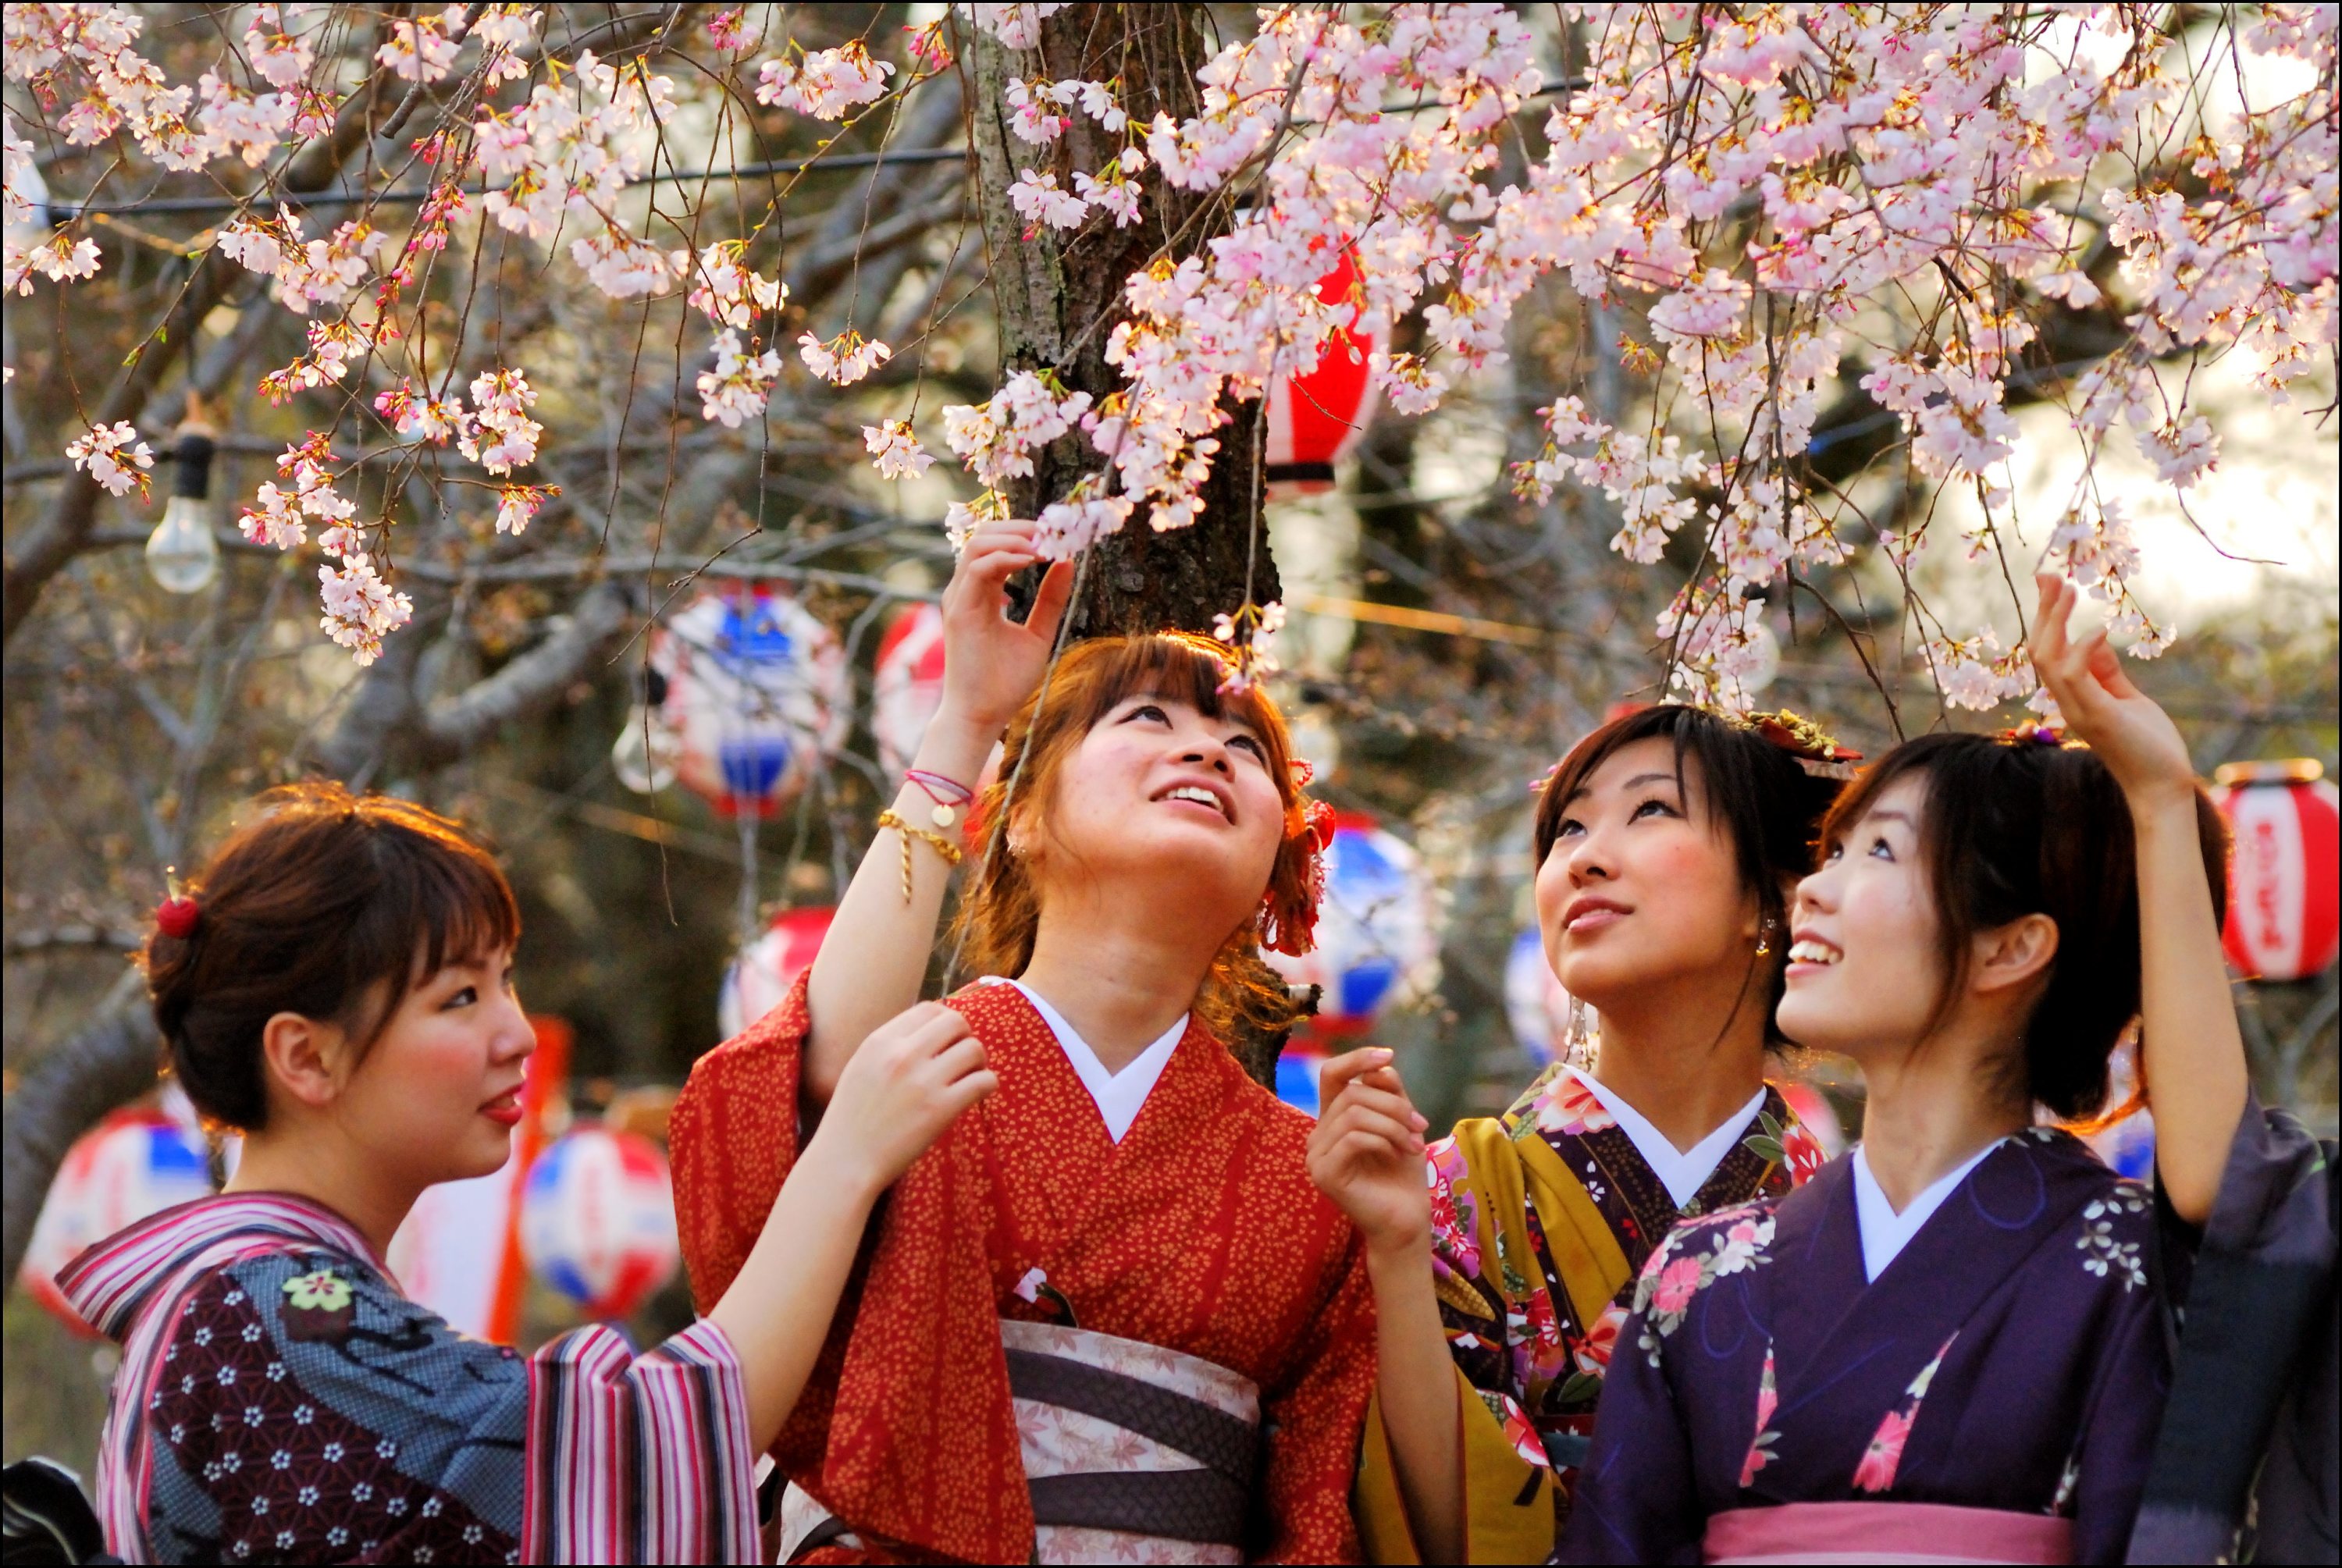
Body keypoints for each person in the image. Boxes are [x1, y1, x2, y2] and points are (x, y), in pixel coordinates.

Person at [667, 521, 1375, 1564]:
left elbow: (1320, 1500)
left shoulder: (1308, 1172)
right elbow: (814, 1071)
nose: (1205, 752)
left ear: (1277, 865)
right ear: (1025, 819)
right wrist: (965, 719)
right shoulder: (911, 1078)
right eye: (1146, 718)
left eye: (1244, 751)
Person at [60, 782, 993, 1565]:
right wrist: (843, 1160)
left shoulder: (237, 1296)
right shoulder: (281, 1311)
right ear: (306, 1058)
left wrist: (959, 733)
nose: (513, 1032)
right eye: (459, 996)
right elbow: (635, 1450)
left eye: (505, 979)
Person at [1562, 574, 2234, 1566]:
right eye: (1829, 853)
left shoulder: (2130, 1265)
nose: (1818, 890)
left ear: (2013, 947)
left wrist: (2158, 803)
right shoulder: (1698, 1271)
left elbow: (2230, 1181)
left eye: (1878, 851)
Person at [1308, 703, 1845, 1562]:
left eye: (1651, 809)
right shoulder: (1446, 1194)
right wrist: (1401, 1255)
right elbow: (1438, 1532)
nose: (1585, 856)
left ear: (1774, 895)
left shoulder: (1855, 1216)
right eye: (1568, 828)